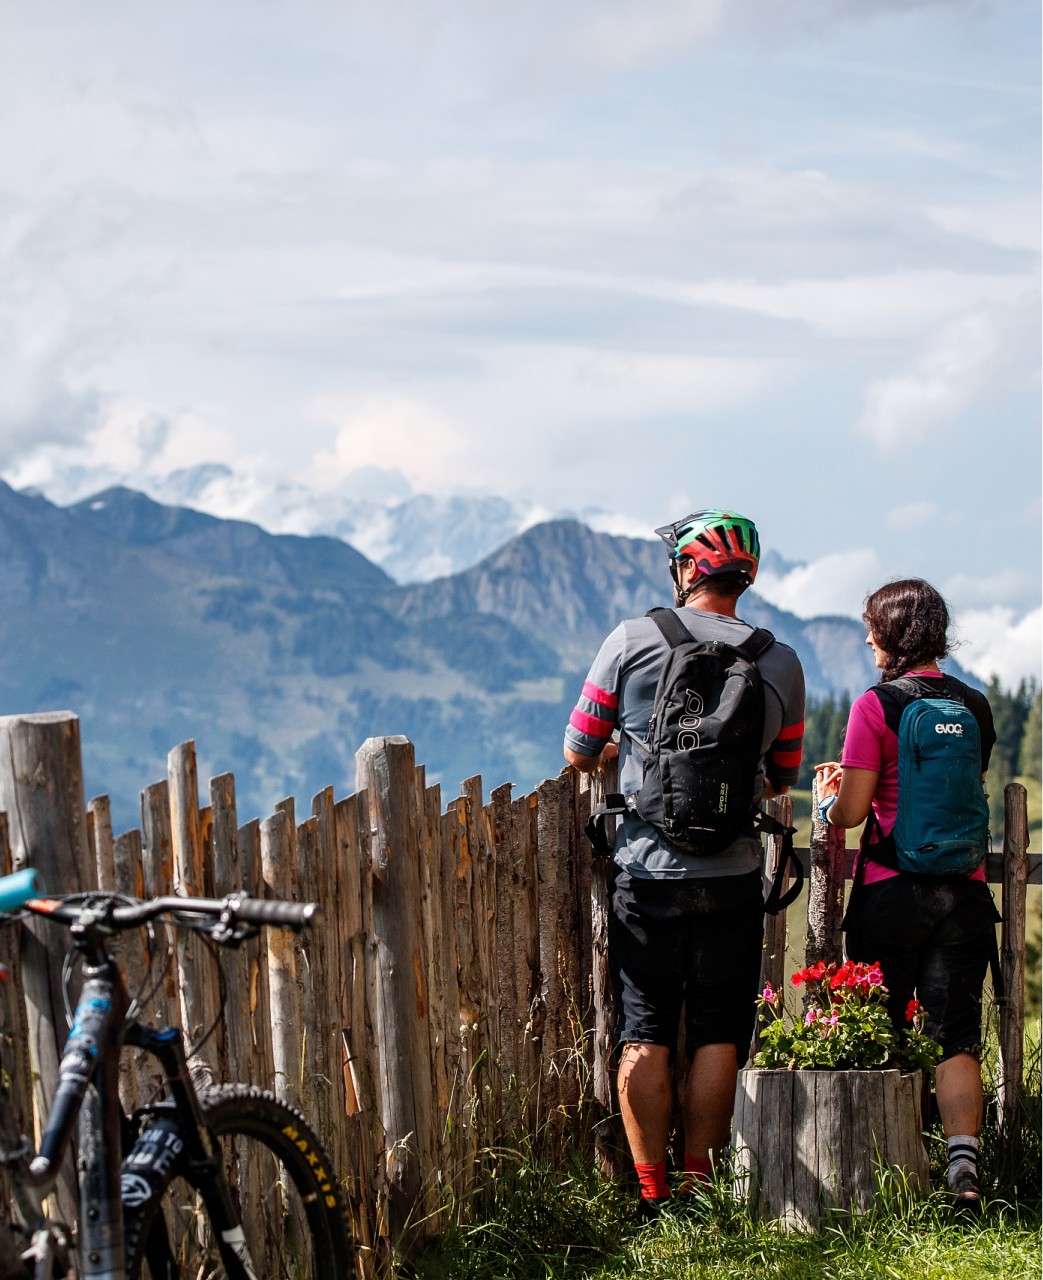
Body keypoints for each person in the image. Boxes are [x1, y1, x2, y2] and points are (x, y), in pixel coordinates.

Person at [563, 509, 805, 1218]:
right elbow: (782, 777)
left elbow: (579, 749)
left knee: (644, 1029)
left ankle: (651, 1193)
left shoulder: (632, 639)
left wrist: (621, 750)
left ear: (689, 569)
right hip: (732, 876)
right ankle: (700, 1186)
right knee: (717, 1033)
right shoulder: (779, 661)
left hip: (646, 871)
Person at [815, 578, 997, 1214]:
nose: (867, 640)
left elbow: (854, 812)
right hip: (965, 894)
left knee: (881, 1023)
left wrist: (827, 800)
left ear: (891, 634)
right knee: (957, 1036)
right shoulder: (974, 705)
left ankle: (882, 1170)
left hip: (892, 891)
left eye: (872, 629)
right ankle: (963, 1166)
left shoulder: (876, 706)